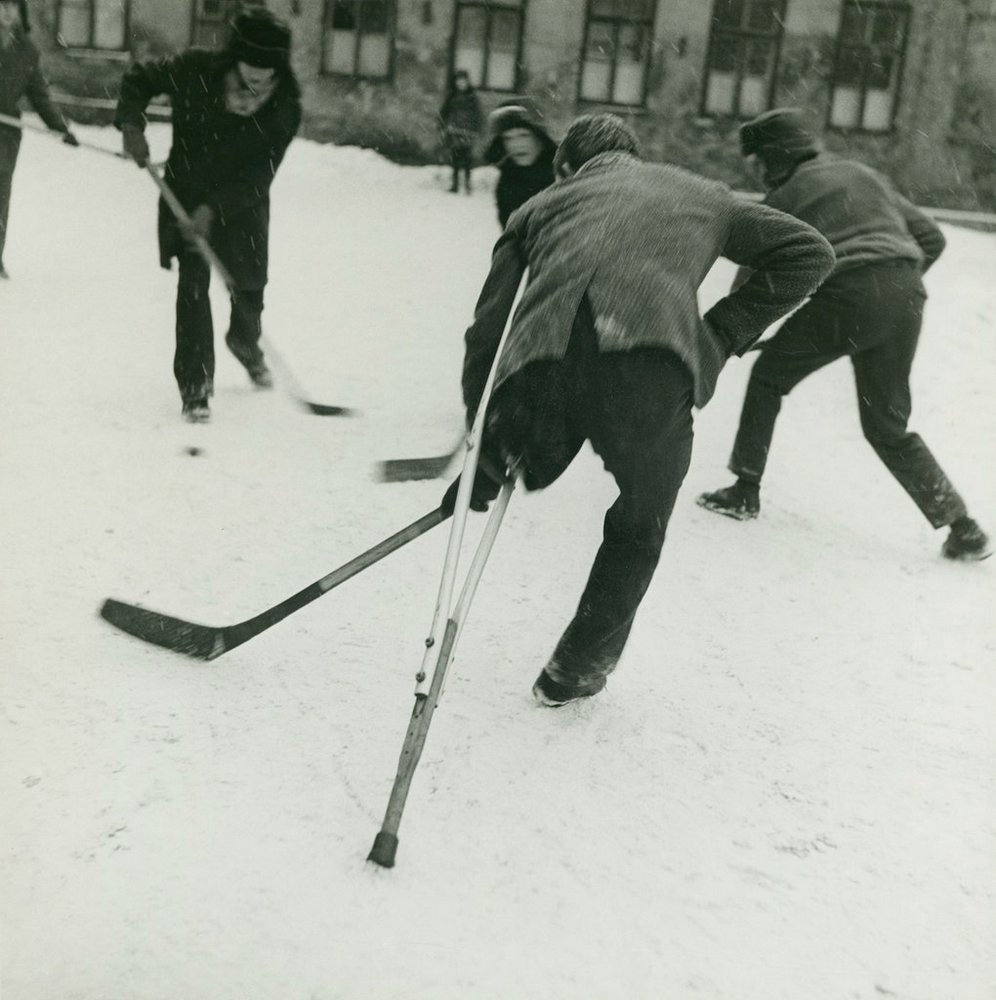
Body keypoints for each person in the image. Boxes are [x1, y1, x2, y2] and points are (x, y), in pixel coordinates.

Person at [444, 114, 834, 707]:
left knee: (530, 442)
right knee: (640, 523)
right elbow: (810, 252)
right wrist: (722, 332)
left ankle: (509, 457)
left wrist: (483, 429)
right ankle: (575, 668)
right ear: (635, 156)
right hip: (648, 374)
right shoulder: (704, 196)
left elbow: (486, 329)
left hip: (541, 373)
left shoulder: (543, 205)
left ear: (565, 168)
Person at [697, 108, 991, 561]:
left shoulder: (786, 195)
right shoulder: (861, 172)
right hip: (907, 296)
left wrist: (737, 331)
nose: (755, 176)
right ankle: (961, 525)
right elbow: (931, 238)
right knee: (887, 424)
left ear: (773, 159)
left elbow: (752, 276)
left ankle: (744, 489)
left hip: (849, 296)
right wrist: (894, 283)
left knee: (769, 378)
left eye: (755, 164)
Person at [115, 7, 301, 423]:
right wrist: (131, 124)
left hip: (241, 207)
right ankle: (195, 386)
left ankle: (245, 342)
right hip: (186, 194)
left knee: (249, 287)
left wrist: (215, 209)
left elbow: (259, 175)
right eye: (250, 68)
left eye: (265, 73)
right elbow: (140, 78)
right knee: (193, 289)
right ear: (235, 57)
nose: (256, 80)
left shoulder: (286, 107)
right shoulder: (196, 68)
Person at [0, 0, 79, 279]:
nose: (7, 12)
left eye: (13, 6)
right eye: (1, 5)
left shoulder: (27, 51)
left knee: (0, 194)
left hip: (5, 134)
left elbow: (39, 95)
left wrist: (60, 128)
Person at [483, 96, 556, 228]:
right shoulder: (508, 179)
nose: (516, 144)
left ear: (540, 137)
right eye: (508, 138)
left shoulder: (565, 173)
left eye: (524, 135)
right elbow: (509, 235)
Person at [438, 69, 482, 195]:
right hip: (455, 131)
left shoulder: (472, 97)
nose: (461, 84)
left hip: (468, 131)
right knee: (456, 158)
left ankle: (468, 186)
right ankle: (455, 185)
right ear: (456, 82)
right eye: (459, 81)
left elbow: (477, 114)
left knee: (467, 158)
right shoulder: (452, 96)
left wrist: (477, 128)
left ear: (467, 82)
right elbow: (444, 112)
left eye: (463, 81)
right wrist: (442, 125)